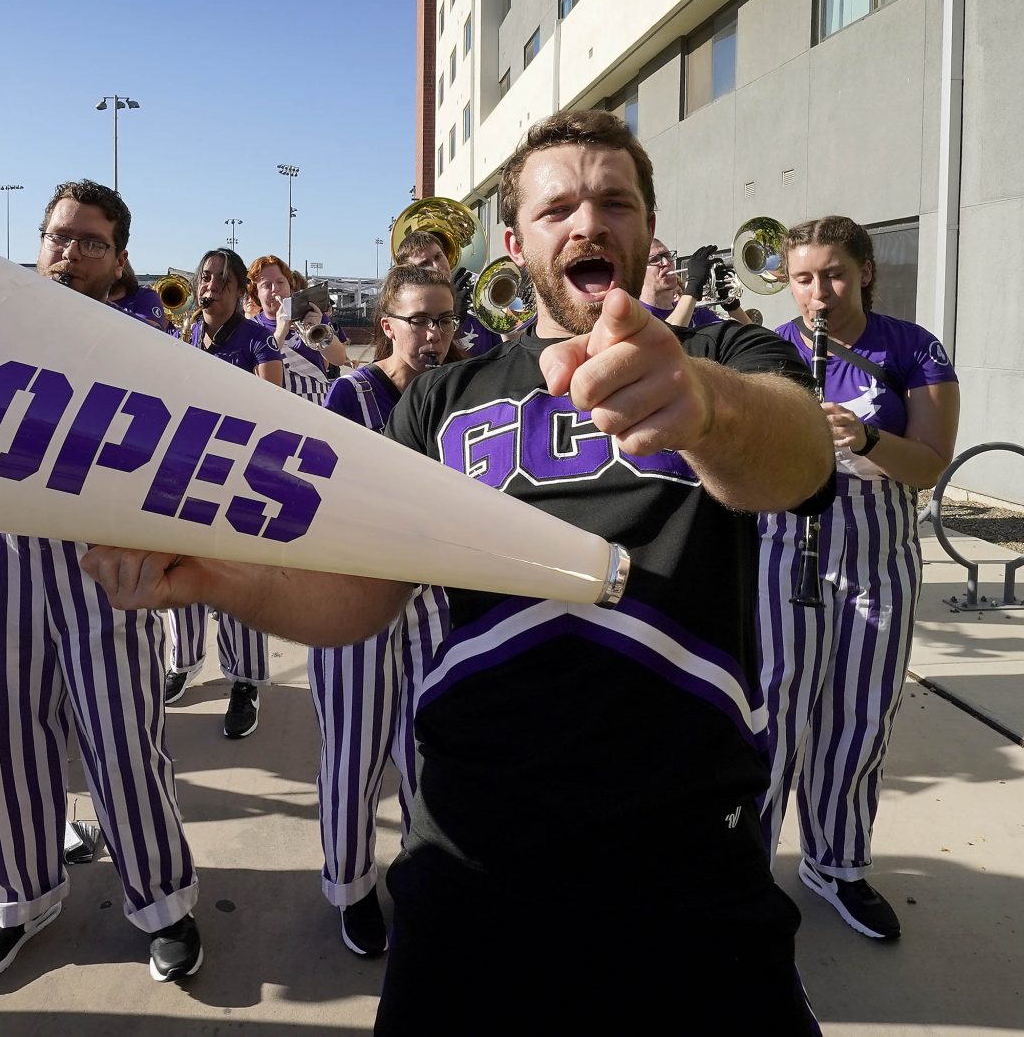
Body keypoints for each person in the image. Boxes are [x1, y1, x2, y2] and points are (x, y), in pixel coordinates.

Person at [80, 109, 833, 1032]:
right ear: (517, 243)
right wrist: (202, 575)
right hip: (471, 852)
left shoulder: (723, 355)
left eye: (614, 202)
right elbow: (361, 591)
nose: (588, 224)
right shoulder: (441, 397)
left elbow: (801, 460)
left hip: (691, 853)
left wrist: (705, 403)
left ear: (647, 228)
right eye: (559, 208)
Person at [0, 179, 202, 986]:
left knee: (124, 737)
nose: (69, 251)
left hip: (106, 553)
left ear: (120, 258)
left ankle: (164, 900)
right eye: (58, 236)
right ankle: (14, 902)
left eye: (90, 242)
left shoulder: (146, 333)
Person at [756, 215, 960, 942]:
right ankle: (744, 867)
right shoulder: (768, 348)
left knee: (859, 717)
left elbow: (931, 464)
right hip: (783, 551)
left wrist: (865, 436)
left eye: (834, 274)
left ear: (865, 271)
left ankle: (835, 863)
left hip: (880, 557)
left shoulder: (913, 346)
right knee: (770, 715)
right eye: (804, 277)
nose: (819, 291)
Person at [306, 264, 458, 957]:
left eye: (444, 320)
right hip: (357, 601)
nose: (433, 334)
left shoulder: (461, 388)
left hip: (432, 602)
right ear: (386, 325)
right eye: (419, 320)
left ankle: (423, 877)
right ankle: (351, 887)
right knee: (353, 756)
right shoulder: (351, 391)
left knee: (429, 755)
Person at [162, 249, 283, 737]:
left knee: (235, 581)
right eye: (204, 277)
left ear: (238, 290)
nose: (209, 286)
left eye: (220, 280)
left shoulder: (260, 342)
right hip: (187, 469)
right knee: (181, 570)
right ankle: (185, 661)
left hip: (238, 475)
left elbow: (273, 409)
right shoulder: (186, 332)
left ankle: (244, 681)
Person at [248, 254, 341, 403]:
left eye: (280, 282)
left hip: (318, 404)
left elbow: (339, 359)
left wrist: (319, 327)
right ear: (256, 293)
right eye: (266, 285)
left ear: (290, 287)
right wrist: (279, 333)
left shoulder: (312, 314)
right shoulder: (251, 328)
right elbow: (257, 378)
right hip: (279, 407)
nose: (275, 290)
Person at [394, 229, 504, 357]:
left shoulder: (476, 297)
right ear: (410, 274)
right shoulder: (409, 317)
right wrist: (454, 317)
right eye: (424, 264)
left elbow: (505, 350)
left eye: (438, 256)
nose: (436, 266)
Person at [644, 239, 752, 329]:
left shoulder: (694, 311)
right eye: (655, 259)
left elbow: (749, 336)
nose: (666, 263)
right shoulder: (637, 314)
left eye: (667, 256)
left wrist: (731, 305)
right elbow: (667, 339)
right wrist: (694, 285)